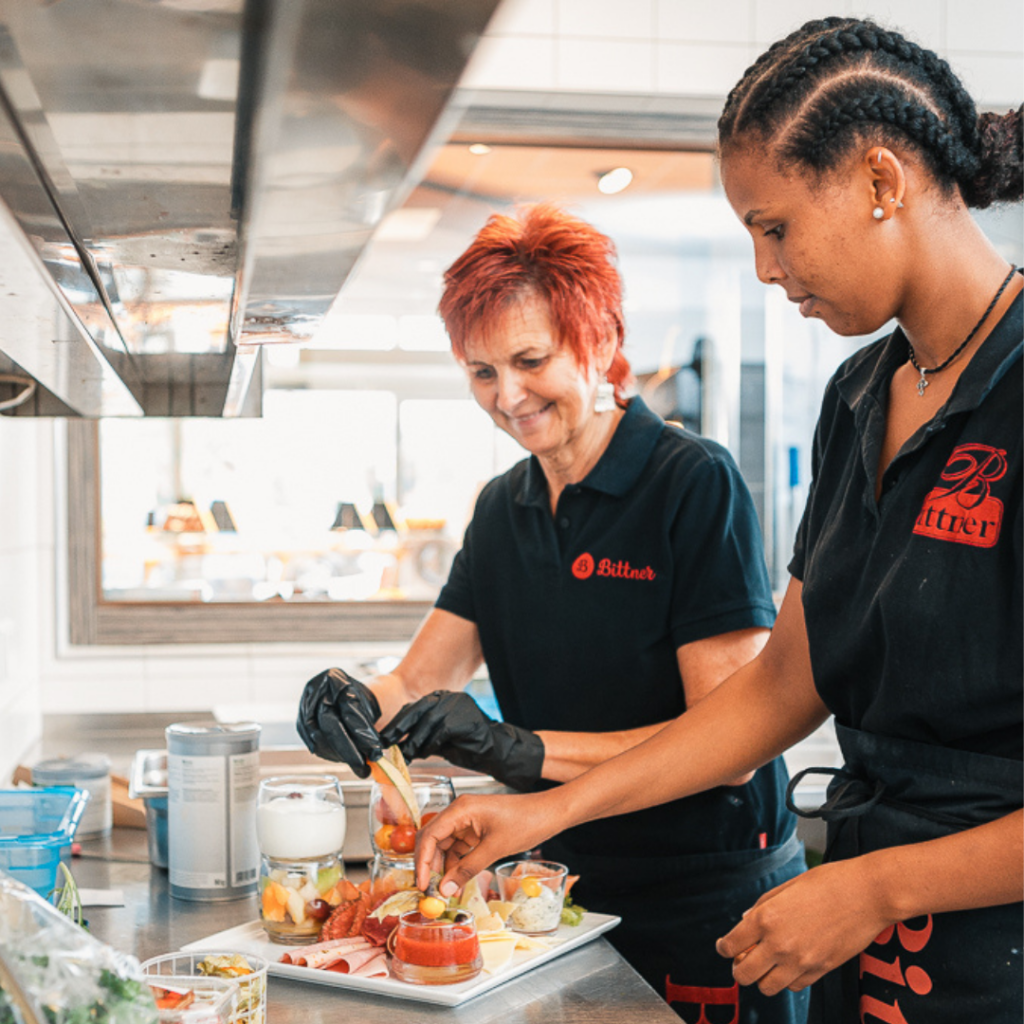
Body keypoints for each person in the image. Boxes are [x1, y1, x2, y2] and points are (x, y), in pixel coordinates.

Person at [414, 16, 1024, 1024]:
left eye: (773, 225)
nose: (762, 268)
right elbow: (780, 685)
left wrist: (879, 885)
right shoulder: (860, 396)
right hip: (861, 947)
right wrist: (543, 808)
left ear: (881, 182)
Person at [297, 203, 809, 1023]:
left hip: (705, 903)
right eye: (481, 372)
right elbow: (417, 681)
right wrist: (350, 700)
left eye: (530, 360)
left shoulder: (690, 482)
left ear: (600, 343)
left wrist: (517, 749)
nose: (508, 396)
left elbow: (732, 745)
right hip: (555, 892)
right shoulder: (503, 507)